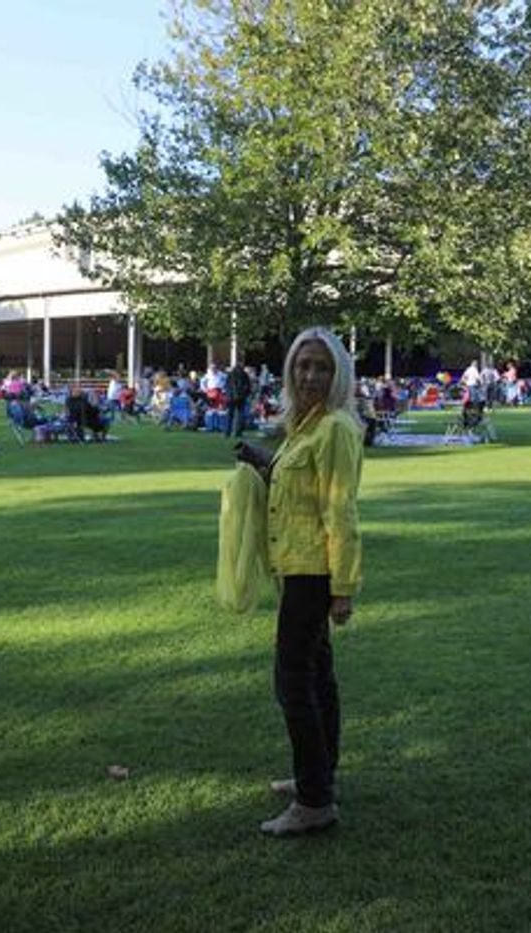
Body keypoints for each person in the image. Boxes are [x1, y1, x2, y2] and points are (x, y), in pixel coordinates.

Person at [236, 326, 363, 837]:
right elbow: (299, 489)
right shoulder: (305, 426)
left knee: (293, 683)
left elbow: (340, 510)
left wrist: (343, 586)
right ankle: (319, 775)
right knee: (316, 676)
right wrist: (261, 463)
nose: (310, 375)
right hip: (296, 566)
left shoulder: (334, 428)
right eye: (303, 365)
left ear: (339, 375)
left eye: (322, 367)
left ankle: (314, 801)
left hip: (315, 572)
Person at [226, 361, 251, 438]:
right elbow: (248, 386)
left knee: (230, 415)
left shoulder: (230, 374)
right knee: (240, 415)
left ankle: (227, 432)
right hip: (241, 397)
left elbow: (227, 385)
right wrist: (246, 394)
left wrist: (229, 394)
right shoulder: (244, 374)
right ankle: (238, 432)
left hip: (231, 397)